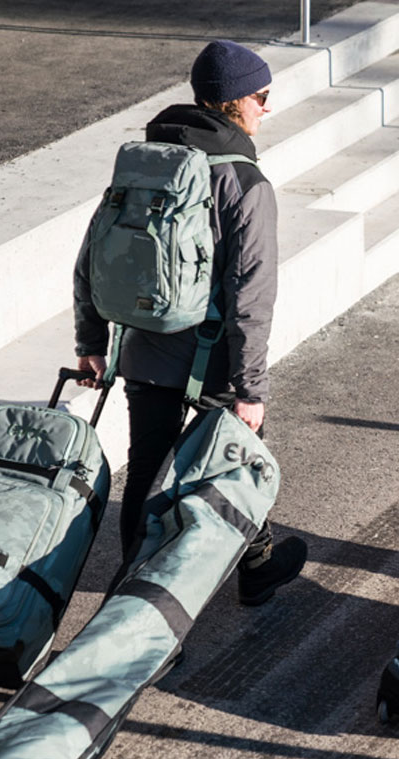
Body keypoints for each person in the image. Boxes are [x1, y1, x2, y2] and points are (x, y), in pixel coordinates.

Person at [73, 39, 307, 605]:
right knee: (237, 469)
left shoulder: (148, 161)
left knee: (147, 468)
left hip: (146, 350)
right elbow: (251, 295)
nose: (266, 108)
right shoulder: (246, 184)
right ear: (232, 102)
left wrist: (90, 338)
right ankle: (235, 578)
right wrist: (251, 388)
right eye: (261, 96)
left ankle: (138, 588)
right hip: (216, 361)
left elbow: (92, 255)